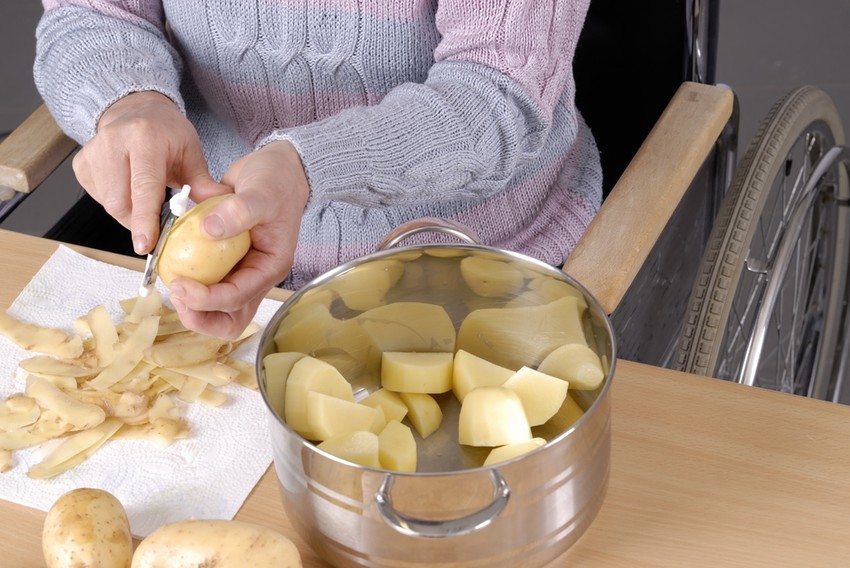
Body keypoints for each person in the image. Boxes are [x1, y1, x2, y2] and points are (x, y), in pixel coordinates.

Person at [34, 0, 602, 339]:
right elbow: (92, 14)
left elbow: (498, 99)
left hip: (476, 273)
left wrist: (306, 166)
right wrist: (126, 100)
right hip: (214, 279)